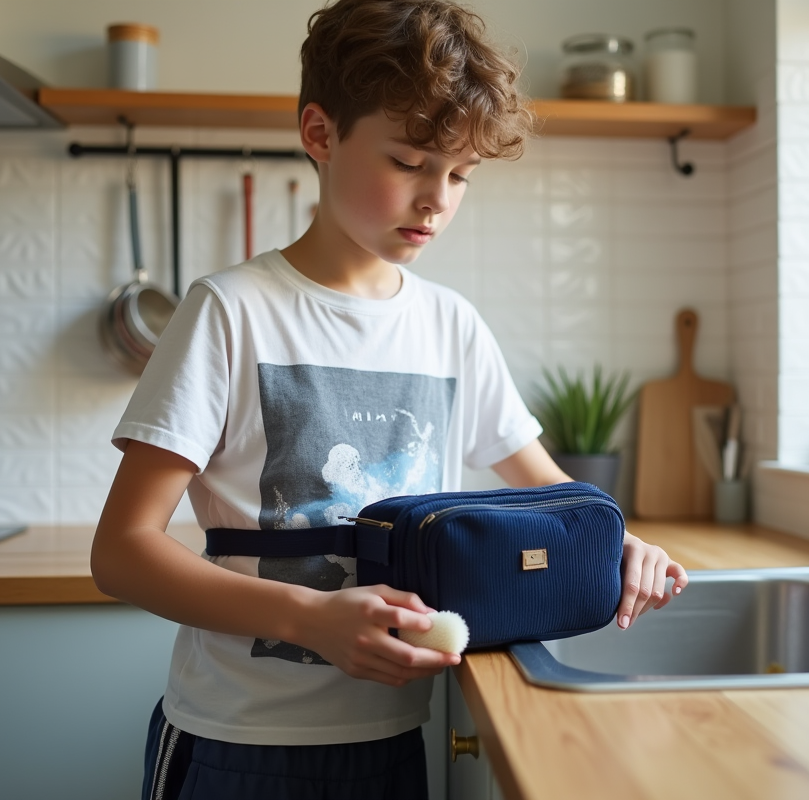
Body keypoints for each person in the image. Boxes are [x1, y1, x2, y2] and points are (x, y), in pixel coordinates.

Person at [91, 1, 690, 797]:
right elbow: (122, 551)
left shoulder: (451, 325)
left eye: (460, 175)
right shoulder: (230, 311)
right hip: (241, 741)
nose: (437, 198)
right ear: (320, 134)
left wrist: (620, 542)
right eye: (409, 162)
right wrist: (308, 619)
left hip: (394, 739)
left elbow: (552, 498)